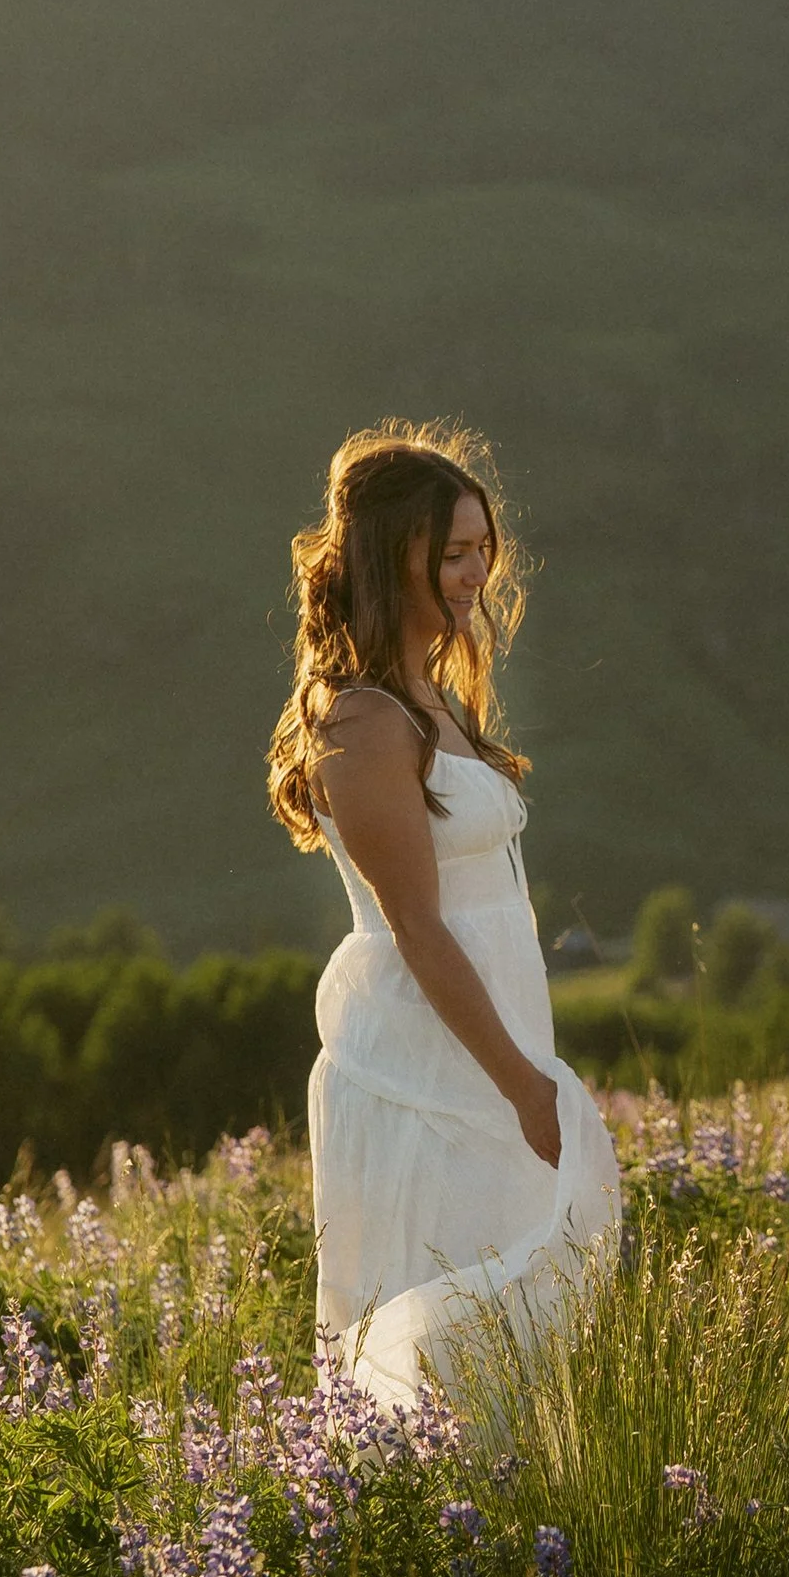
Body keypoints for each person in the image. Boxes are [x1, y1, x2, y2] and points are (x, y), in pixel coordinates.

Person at [267, 422, 620, 1412]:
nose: (477, 573)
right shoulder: (363, 719)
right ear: (395, 559)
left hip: (492, 1039)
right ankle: (422, 1538)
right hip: (426, 1059)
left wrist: (524, 1068)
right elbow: (418, 928)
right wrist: (523, 1086)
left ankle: (509, 1536)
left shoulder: (435, 695)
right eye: (454, 553)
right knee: (444, 1320)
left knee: (512, 1321)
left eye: (480, 550)